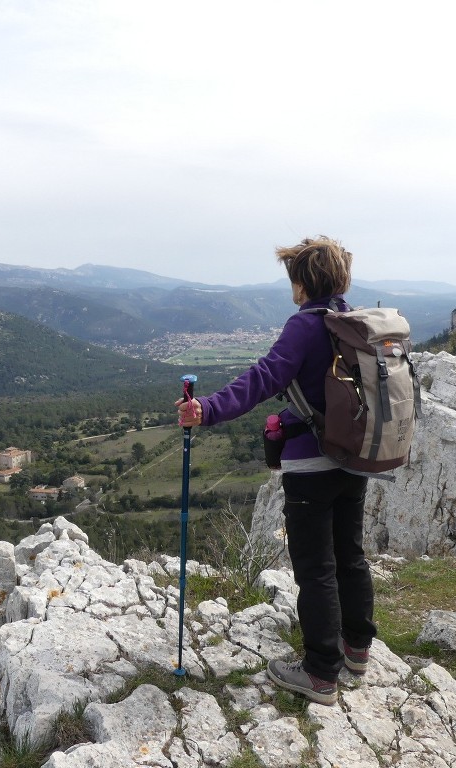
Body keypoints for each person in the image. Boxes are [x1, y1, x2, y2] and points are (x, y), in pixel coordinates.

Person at [175, 235, 375, 706]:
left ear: (301, 282)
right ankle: (357, 650)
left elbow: (264, 377)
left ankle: (320, 674)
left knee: (316, 567)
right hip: (354, 458)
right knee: (350, 555)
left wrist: (207, 408)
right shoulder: (356, 323)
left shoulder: (305, 326)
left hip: (311, 465)